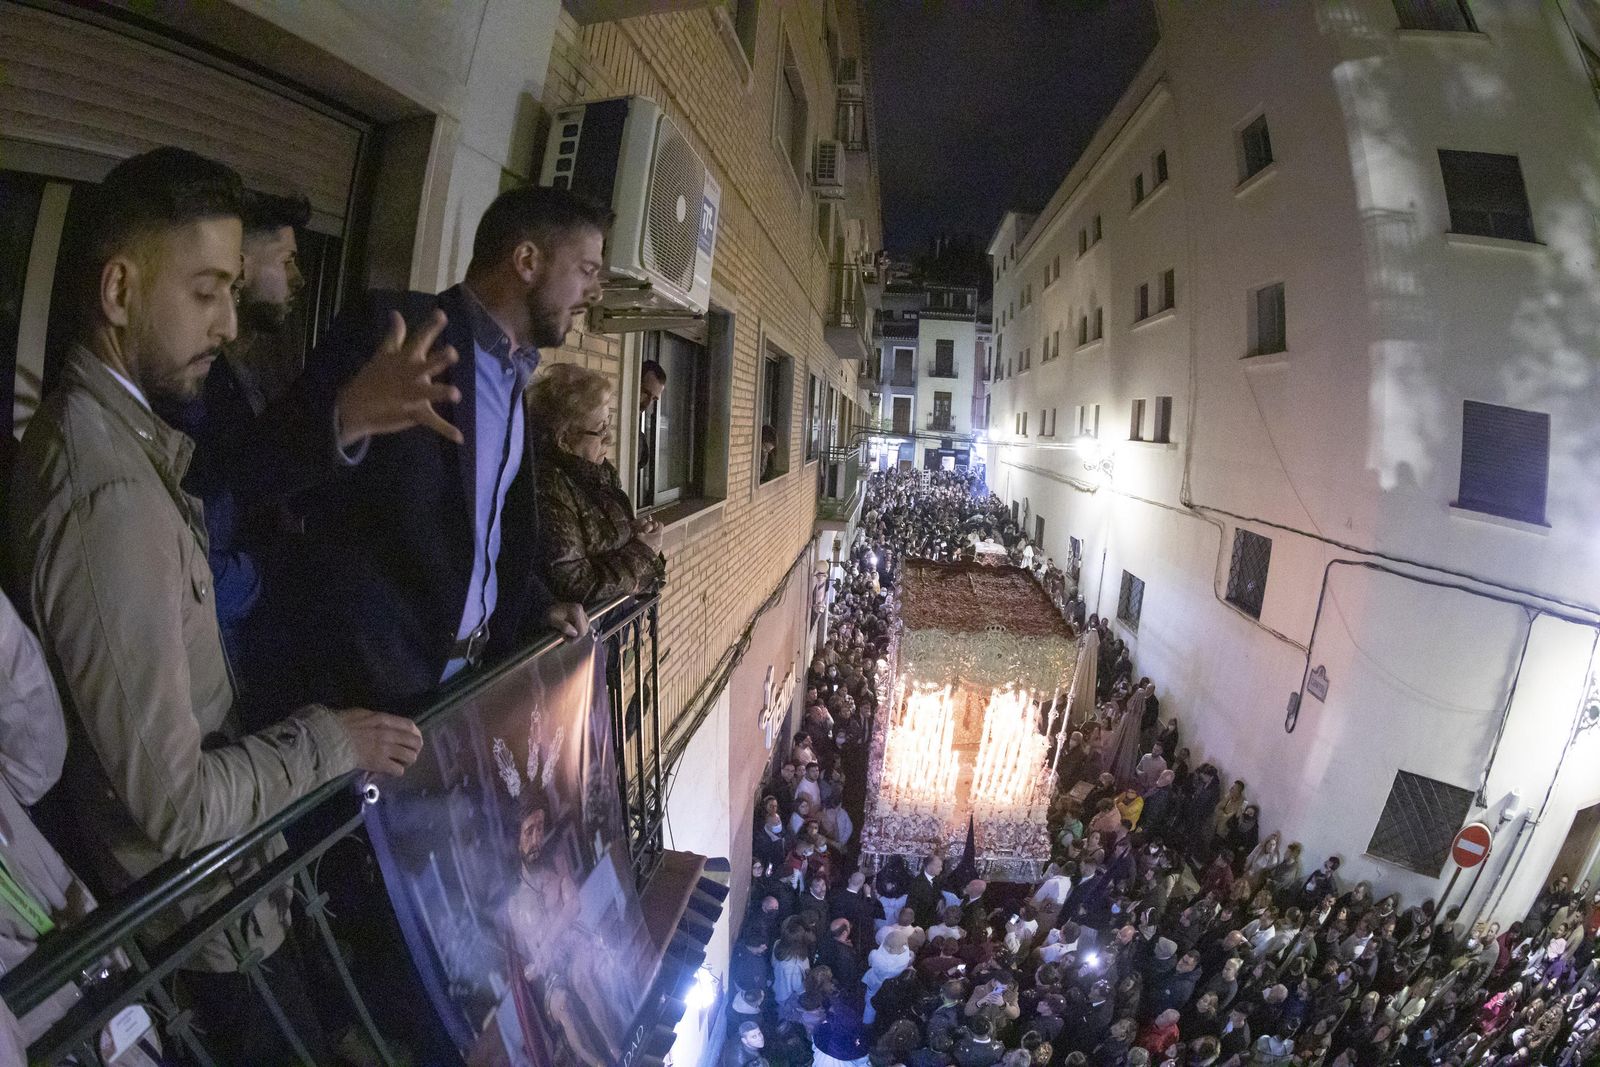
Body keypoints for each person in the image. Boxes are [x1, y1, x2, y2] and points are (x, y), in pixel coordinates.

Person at [4, 147, 424, 1066]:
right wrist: (332, 741)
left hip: (227, 905)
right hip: (204, 929)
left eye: (235, 290)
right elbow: (172, 806)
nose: (231, 323)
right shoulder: (105, 493)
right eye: (205, 291)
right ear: (119, 291)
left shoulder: (131, 445)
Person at [253, 182, 608, 712]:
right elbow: (268, 476)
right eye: (587, 269)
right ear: (527, 261)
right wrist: (344, 419)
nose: (595, 293)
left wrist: (536, 604)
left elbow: (478, 528)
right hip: (368, 696)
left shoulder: (517, 375)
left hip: (467, 686)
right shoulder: (394, 328)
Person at [527, 363, 664, 604]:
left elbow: (599, 539)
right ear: (564, 438)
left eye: (608, 423)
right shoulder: (547, 487)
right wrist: (643, 553)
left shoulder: (599, 472)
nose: (610, 437)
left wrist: (634, 532)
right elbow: (576, 584)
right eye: (600, 428)